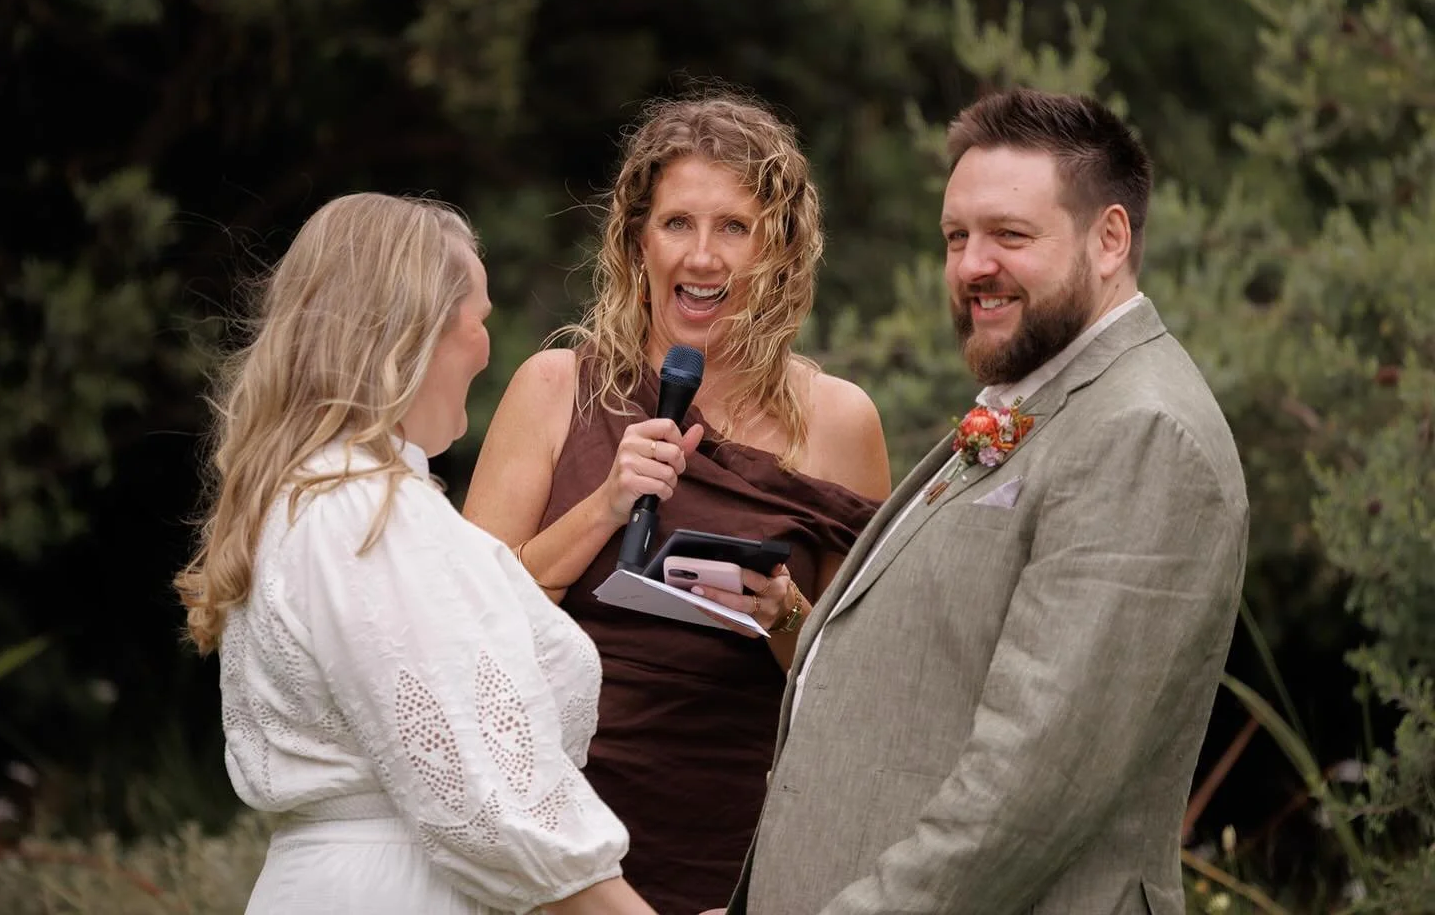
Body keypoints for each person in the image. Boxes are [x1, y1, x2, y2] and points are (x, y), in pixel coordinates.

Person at [717, 88, 1250, 915]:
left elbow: (1030, 787)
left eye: (1010, 235)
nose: (972, 266)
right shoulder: (1045, 402)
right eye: (956, 237)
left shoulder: (1141, 433)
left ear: (1110, 239)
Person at [463, 92, 891, 912]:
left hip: (734, 856)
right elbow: (463, 635)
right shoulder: (554, 389)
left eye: (733, 227)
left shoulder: (841, 423)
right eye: (677, 224)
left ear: (780, 248)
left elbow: (864, 697)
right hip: (552, 846)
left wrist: (785, 614)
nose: (702, 256)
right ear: (637, 241)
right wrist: (603, 506)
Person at [175, 193, 659, 915]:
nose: (487, 350)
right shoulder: (364, 510)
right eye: (479, 320)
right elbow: (492, 810)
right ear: (415, 328)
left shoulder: (319, 497)